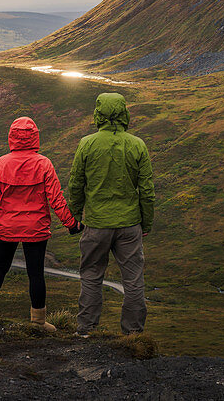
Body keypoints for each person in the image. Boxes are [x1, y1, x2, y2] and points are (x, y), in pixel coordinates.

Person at [0, 116, 83, 331]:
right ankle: (38, 322)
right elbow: (56, 199)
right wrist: (71, 224)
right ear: (35, 137)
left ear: (12, 136)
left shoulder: (2, 163)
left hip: (5, 225)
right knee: (35, 273)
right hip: (35, 227)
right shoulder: (43, 163)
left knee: (0, 265)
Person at [68, 92, 154, 337]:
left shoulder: (87, 143)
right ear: (125, 113)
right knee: (133, 281)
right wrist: (146, 222)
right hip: (130, 224)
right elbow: (147, 190)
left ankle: (86, 330)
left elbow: (76, 184)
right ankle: (133, 334)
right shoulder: (137, 145)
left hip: (96, 224)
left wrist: (74, 215)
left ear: (98, 114)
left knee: (91, 276)